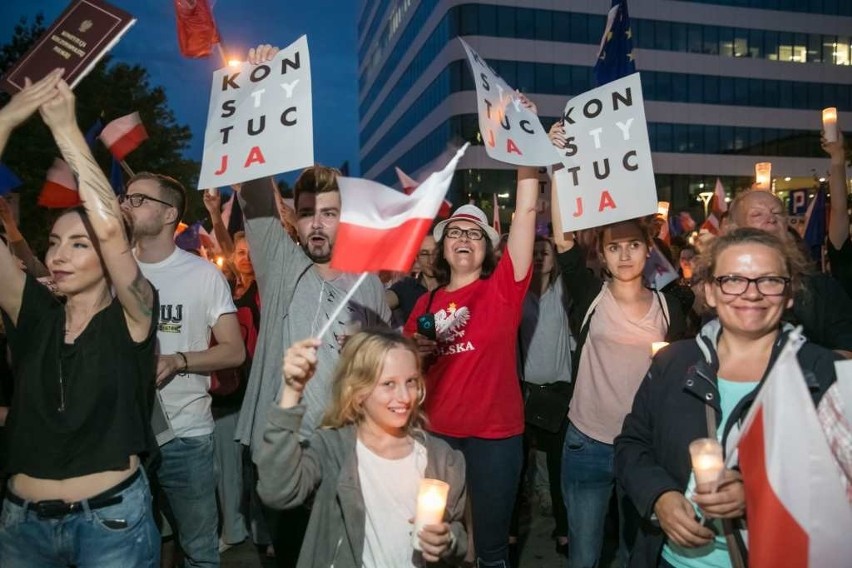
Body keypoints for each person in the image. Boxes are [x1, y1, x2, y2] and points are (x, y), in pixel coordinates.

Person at [235, 40, 390, 568]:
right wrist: (258, 91)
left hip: (350, 450)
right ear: (295, 222)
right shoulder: (281, 265)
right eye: (308, 213)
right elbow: (255, 189)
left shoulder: (368, 281)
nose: (318, 222)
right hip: (288, 452)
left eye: (329, 211)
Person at [0, 71, 160, 565]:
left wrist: (65, 129)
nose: (60, 255)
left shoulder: (134, 313)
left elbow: (112, 231)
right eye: (53, 243)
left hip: (111, 527)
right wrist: (9, 116)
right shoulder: (33, 312)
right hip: (21, 528)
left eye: (78, 244)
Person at [615, 228, 840, 567]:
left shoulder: (827, 375)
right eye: (733, 279)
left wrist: (757, 495)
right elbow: (631, 444)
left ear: (789, 292)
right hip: (669, 560)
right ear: (710, 291)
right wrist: (658, 496)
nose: (751, 294)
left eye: (769, 280)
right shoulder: (673, 362)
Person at [404, 107, 540, 566]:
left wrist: (527, 147)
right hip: (437, 436)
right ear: (443, 247)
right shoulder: (424, 305)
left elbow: (525, 212)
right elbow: (412, 368)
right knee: (439, 541)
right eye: (455, 232)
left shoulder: (503, 289)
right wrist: (413, 354)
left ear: (487, 247)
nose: (464, 237)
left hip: (496, 439)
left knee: (491, 547)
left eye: (474, 234)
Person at [550, 122, 688, 568]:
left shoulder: (670, 307)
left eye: (633, 245)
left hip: (645, 450)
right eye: (615, 247)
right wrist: (557, 165)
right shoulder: (589, 294)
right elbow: (563, 239)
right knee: (585, 555)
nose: (624, 254)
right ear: (603, 254)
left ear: (650, 249)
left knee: (638, 554)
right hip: (586, 443)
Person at [257, 330, 468, 567]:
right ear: (358, 392)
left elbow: (458, 533)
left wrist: (448, 539)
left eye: (411, 381)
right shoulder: (333, 449)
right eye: (389, 384)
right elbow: (277, 491)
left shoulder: (441, 459)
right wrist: (291, 392)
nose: (404, 396)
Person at [122, 171, 245, 568]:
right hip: (122, 434)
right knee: (129, 550)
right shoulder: (114, 273)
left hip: (185, 436)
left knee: (199, 550)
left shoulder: (202, 274)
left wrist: (179, 361)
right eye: (125, 197)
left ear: (168, 213)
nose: (127, 204)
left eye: (138, 199)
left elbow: (234, 350)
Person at [726, 189, 852, 355]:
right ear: (735, 229)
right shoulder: (724, 287)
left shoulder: (822, 287)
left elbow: (846, 347)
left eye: (777, 213)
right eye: (757, 214)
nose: (771, 219)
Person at [512, 236, 572, 556]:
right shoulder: (518, 295)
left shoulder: (564, 293)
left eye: (544, 252)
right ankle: (509, 536)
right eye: (533, 252)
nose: (538, 257)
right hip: (523, 394)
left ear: (554, 258)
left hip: (557, 395)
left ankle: (563, 533)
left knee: (559, 469)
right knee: (516, 468)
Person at [387, 234, 439, 327]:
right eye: (424, 253)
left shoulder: (456, 285)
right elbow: (379, 302)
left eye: (436, 253)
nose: (431, 261)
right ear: (416, 257)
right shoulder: (406, 286)